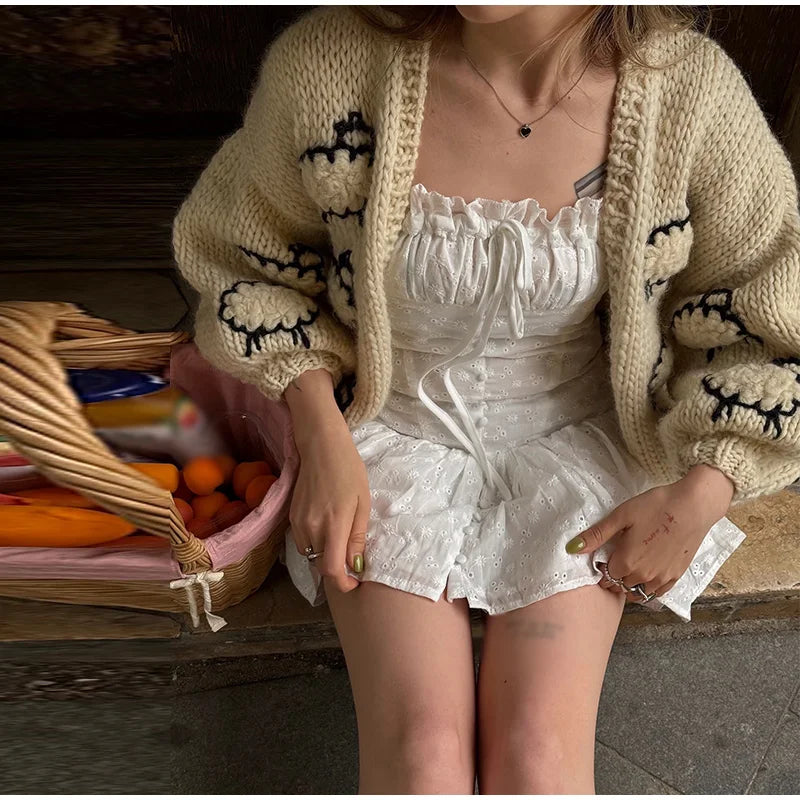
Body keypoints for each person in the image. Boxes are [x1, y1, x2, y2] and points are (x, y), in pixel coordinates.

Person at [173, 5, 800, 793]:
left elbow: (775, 318)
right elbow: (244, 262)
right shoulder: (330, 60)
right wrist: (320, 430)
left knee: (539, 762)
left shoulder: (691, 93)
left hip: (581, 442)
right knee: (421, 760)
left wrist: (705, 491)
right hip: (381, 431)